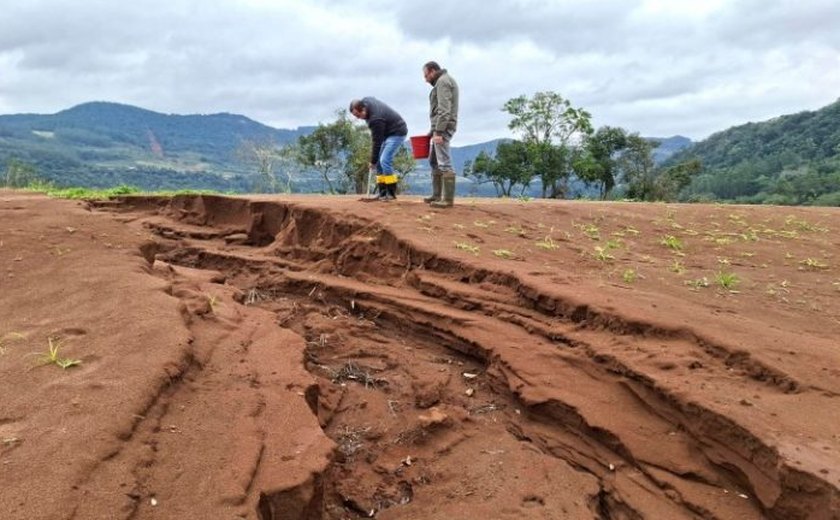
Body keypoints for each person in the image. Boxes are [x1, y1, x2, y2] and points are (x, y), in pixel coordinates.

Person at [349, 97, 407, 201]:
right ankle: (382, 193)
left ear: (363, 109)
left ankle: (391, 193)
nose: (358, 118)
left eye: (358, 115)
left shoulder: (375, 119)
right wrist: (375, 162)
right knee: (380, 164)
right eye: (355, 116)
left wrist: (373, 161)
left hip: (397, 132)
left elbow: (377, 142)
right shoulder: (366, 101)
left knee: (384, 160)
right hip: (386, 132)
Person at [422, 61, 459, 207]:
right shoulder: (442, 82)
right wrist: (431, 131)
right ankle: (437, 196)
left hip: (443, 129)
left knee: (444, 163)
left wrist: (438, 132)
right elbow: (438, 111)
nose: (425, 79)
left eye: (426, 75)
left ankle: (447, 201)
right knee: (434, 161)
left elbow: (444, 110)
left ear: (432, 71)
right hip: (439, 128)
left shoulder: (443, 82)